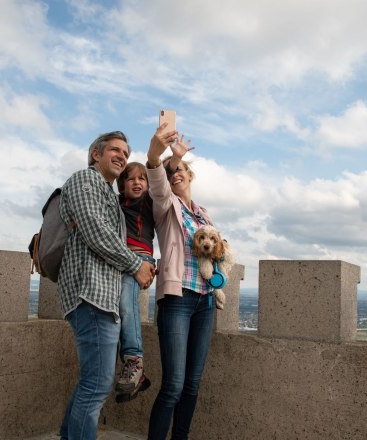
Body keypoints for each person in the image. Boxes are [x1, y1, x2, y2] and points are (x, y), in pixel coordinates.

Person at [56, 131, 155, 440]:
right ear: (96, 154)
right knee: (97, 385)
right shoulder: (85, 180)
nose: (122, 156)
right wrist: (136, 265)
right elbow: (95, 231)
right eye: (115, 150)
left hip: (102, 297)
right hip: (91, 295)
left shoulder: (108, 192)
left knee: (91, 382)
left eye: (125, 153)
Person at [145, 124, 218, 439]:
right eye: (171, 171)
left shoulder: (203, 213)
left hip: (206, 300)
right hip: (178, 299)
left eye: (181, 170)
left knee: (192, 384)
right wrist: (167, 157)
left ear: (191, 176)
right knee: (173, 385)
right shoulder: (165, 205)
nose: (175, 174)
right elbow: (156, 175)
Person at [114, 150, 187, 402]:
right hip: (118, 259)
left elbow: (161, 176)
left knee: (127, 304)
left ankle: (134, 360)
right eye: (131, 179)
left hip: (141, 258)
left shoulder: (149, 201)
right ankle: (135, 375)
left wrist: (175, 159)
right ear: (122, 184)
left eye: (141, 178)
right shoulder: (115, 203)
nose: (137, 183)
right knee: (114, 311)